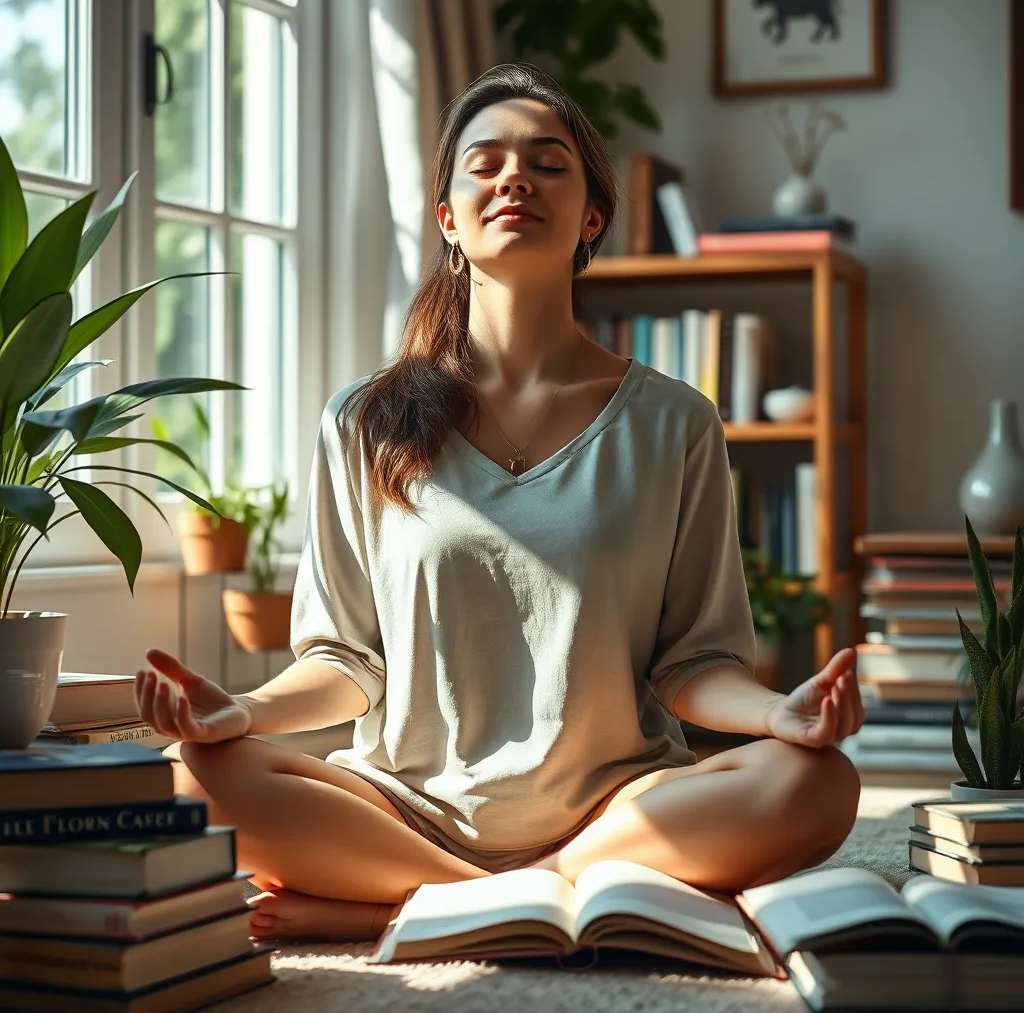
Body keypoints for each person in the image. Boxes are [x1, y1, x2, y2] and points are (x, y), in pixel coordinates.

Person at [137, 63, 864, 945]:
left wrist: (782, 715)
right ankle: (522, 898)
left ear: (592, 216)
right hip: (406, 807)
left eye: (548, 162)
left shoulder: (678, 421)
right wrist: (242, 713)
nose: (513, 177)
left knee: (820, 782)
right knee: (188, 775)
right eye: (484, 163)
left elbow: (693, 665)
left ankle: (404, 906)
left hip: (616, 810)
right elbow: (344, 661)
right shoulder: (364, 420)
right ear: (448, 218)